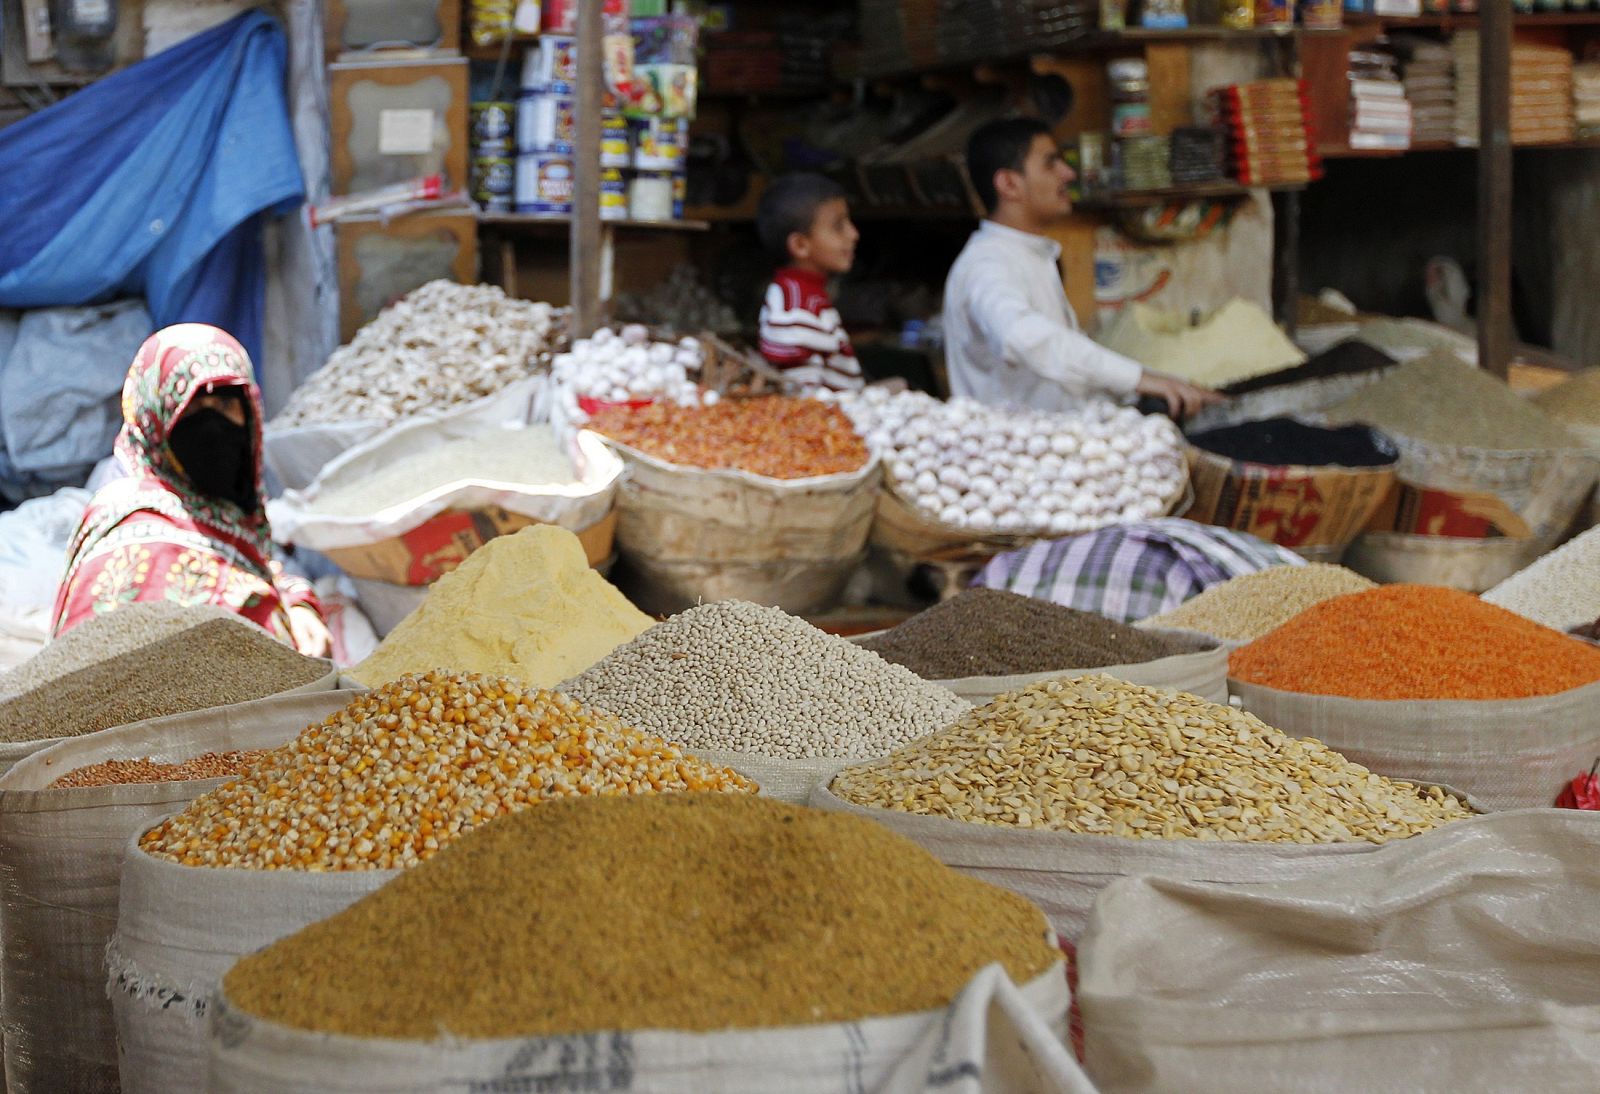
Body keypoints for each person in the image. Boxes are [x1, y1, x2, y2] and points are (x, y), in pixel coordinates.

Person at [51, 324, 331, 656]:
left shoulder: (229, 517)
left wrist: (298, 605)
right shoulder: (131, 525)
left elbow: (266, 568)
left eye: (226, 407)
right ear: (154, 418)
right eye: (193, 410)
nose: (213, 429)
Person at [943, 117, 1222, 419]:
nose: (1068, 173)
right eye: (1051, 164)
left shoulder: (1028, 255)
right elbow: (1021, 336)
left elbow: (1063, 363)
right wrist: (1138, 379)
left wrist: (1147, 382)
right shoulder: (988, 264)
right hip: (1017, 453)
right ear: (1009, 184)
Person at [755, 173, 866, 394]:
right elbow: (805, 404)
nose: (854, 234)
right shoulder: (795, 311)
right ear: (800, 245)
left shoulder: (804, 295)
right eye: (838, 226)